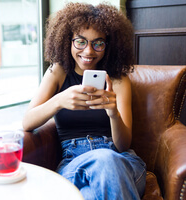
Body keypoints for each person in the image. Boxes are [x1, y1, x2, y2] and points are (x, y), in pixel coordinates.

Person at [22, 2, 146, 200]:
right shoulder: (58, 72)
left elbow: (123, 145)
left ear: (108, 46)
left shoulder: (118, 80)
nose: (88, 51)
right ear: (68, 41)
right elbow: (27, 122)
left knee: (89, 192)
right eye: (81, 42)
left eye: (98, 43)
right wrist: (59, 100)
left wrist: (113, 113)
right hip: (74, 163)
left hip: (122, 162)